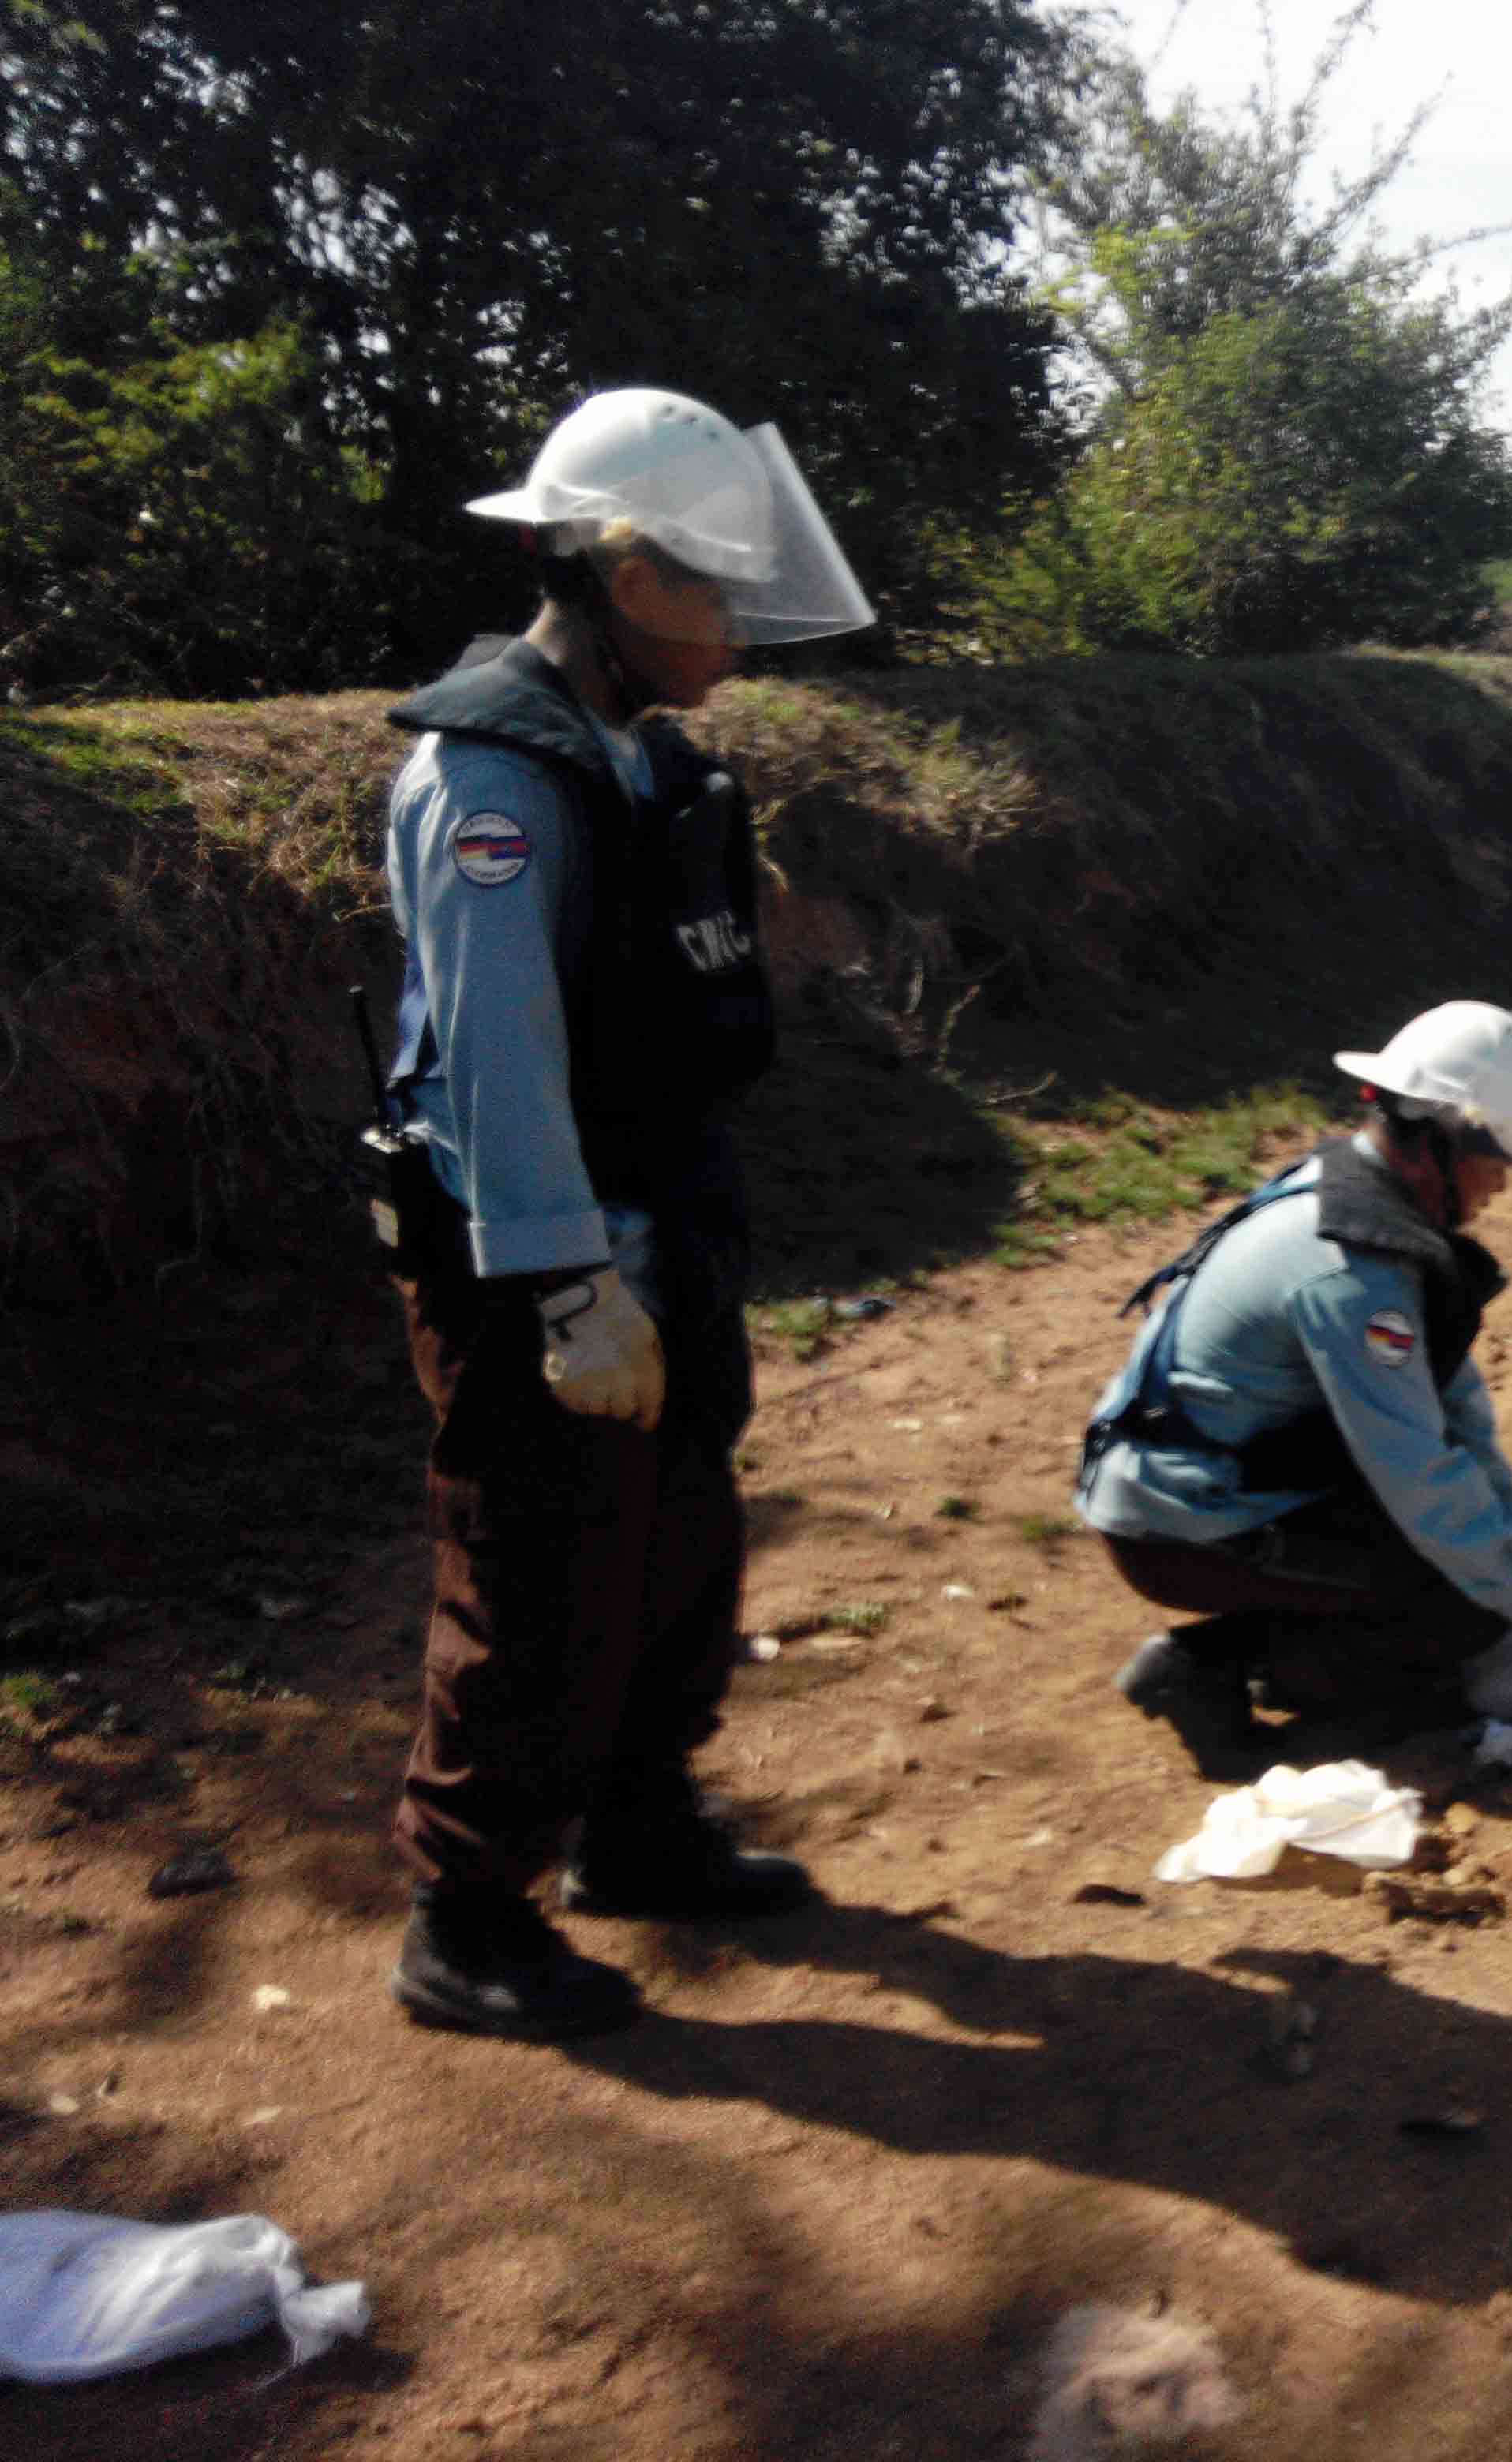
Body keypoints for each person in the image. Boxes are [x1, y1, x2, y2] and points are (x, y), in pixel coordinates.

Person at [374, 387, 878, 2034]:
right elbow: (495, 1064)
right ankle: (466, 1917)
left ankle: (638, 1829)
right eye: (715, 590)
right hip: (544, 1256)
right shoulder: (493, 786)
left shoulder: (631, 758)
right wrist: (568, 1288)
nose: (739, 631)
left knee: (675, 1546)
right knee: (536, 1578)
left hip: (663, 1226)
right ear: (617, 572)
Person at [1077, 1001, 1512, 1778]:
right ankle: (1216, 1669)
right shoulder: (1352, 1275)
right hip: (1183, 1525)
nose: (1502, 1186)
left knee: (1483, 1564)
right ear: (1442, 1141)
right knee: (1464, 1605)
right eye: (1497, 1161)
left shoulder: (1348, 1194)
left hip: (1216, 1484)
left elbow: (1458, 1419)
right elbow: (1417, 1476)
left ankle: (1268, 1645)